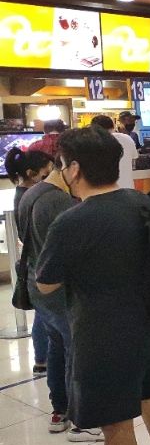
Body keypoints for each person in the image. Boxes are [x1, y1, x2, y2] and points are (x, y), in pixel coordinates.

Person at [35, 126, 150, 445]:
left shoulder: (72, 221)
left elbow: (46, 283)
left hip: (102, 332)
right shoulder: (141, 203)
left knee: (116, 423)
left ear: (74, 169)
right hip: (148, 321)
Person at [18, 140, 105, 441]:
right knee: (77, 351)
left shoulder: (31, 194)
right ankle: (82, 421)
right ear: (71, 169)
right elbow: (76, 253)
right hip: (59, 289)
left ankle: (60, 410)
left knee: (57, 346)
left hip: (36, 284)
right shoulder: (60, 203)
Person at [7, 148, 55, 374]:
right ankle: (43, 358)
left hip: (34, 259)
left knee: (42, 313)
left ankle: (42, 359)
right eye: (45, 174)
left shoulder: (24, 194)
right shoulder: (31, 198)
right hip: (38, 261)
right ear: (31, 172)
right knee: (45, 314)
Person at [89, 115, 137, 190]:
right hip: (128, 190)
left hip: (105, 193)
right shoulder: (127, 138)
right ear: (113, 126)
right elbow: (134, 161)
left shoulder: (95, 142)